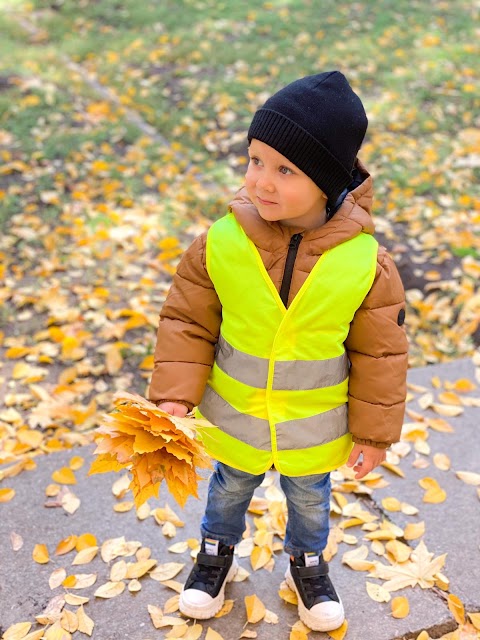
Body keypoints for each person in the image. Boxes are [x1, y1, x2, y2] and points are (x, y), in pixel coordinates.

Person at [149, 71, 408, 632]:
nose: (262, 181)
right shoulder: (222, 242)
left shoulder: (365, 263)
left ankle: (306, 566)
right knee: (227, 493)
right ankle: (214, 556)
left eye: (285, 170)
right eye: (255, 160)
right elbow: (187, 321)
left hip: (313, 426)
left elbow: (381, 355)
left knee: (312, 502)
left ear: (326, 182)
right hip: (236, 418)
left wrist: (373, 432)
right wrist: (174, 397)